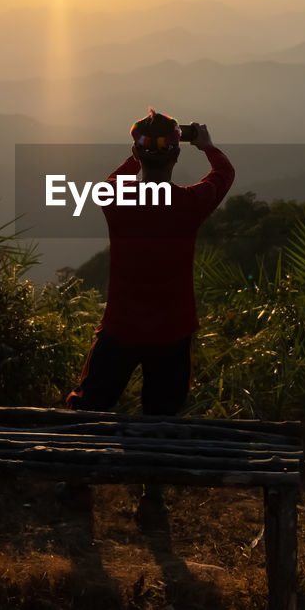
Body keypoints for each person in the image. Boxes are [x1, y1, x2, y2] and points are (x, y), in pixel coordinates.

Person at [60, 109, 235, 520]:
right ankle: (152, 501)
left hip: (120, 327)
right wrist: (206, 146)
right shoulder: (189, 203)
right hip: (172, 331)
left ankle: (78, 487)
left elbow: (111, 182)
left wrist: (136, 155)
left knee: (90, 406)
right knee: (161, 417)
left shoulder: (115, 201)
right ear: (176, 156)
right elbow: (223, 175)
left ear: (138, 156)